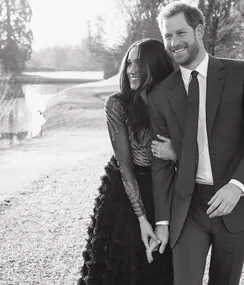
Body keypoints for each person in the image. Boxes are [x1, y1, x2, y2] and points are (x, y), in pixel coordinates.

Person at [147, 2, 244, 285]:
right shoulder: (159, 95)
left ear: (199, 30)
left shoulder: (240, 74)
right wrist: (162, 222)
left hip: (235, 202)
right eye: (167, 36)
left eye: (180, 33)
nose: (173, 42)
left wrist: (237, 185)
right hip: (188, 206)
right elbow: (161, 165)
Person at [77, 38, 176, 285]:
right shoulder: (117, 104)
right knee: (121, 267)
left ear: (156, 65)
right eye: (129, 63)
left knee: (161, 266)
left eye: (139, 64)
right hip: (125, 190)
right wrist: (143, 221)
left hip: (163, 189)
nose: (131, 69)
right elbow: (126, 168)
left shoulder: (173, 102)